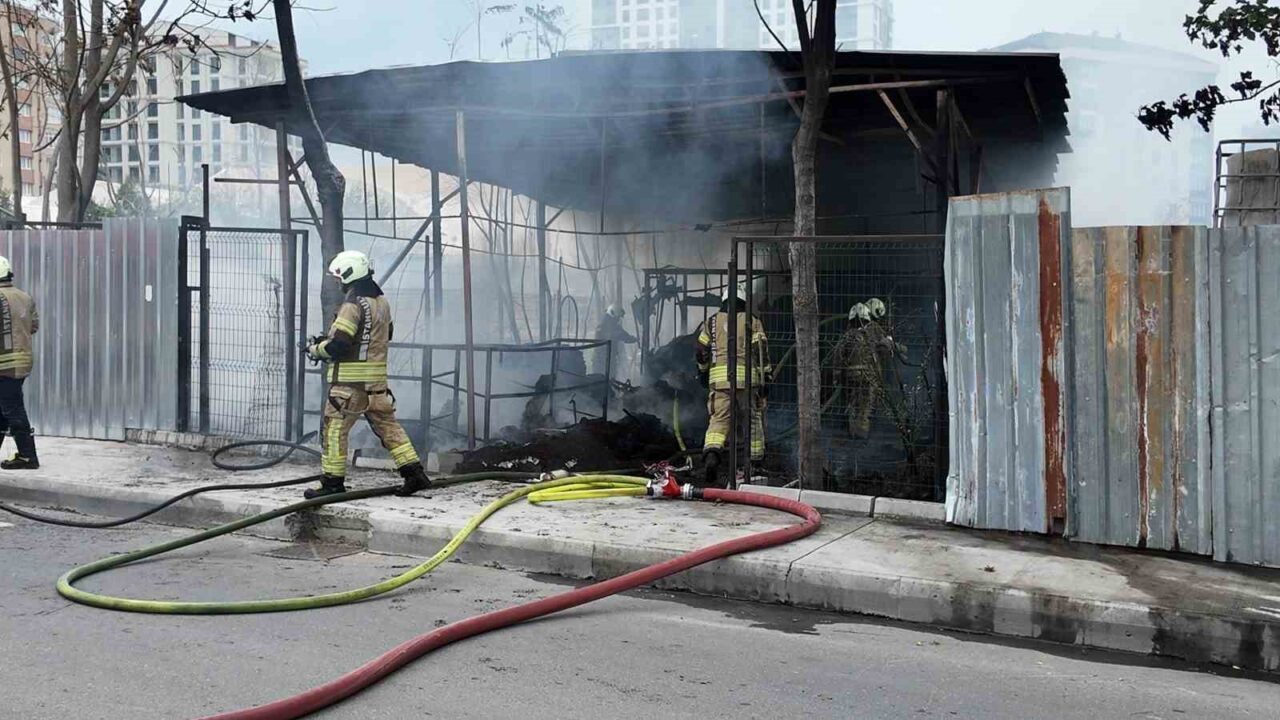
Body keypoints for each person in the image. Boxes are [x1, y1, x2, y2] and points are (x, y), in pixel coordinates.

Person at [305, 250, 430, 499]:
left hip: (349, 387)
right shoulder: (381, 302)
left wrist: (316, 349)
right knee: (389, 428)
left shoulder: (352, 304)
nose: (339, 283)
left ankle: (332, 483)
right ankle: (414, 474)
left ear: (349, 275)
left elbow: (339, 345)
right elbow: (384, 335)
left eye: (340, 278)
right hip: (376, 385)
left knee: (333, 430)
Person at [696, 285, 770, 480]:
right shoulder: (752, 322)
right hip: (747, 383)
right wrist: (765, 381)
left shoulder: (711, 322)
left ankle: (712, 453)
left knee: (719, 419)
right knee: (752, 420)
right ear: (743, 302)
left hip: (720, 383)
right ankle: (754, 463)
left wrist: (703, 373)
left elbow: (701, 351)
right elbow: (761, 353)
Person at [831, 298, 905, 438]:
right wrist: (900, 348)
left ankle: (853, 434)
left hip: (850, 377)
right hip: (869, 377)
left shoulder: (847, 336)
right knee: (866, 408)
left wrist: (837, 378)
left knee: (852, 405)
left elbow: (838, 356)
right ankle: (861, 437)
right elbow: (885, 345)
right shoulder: (873, 330)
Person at [0, 255, 38, 469]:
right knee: (4, 409)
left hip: (3, 364)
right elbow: (34, 326)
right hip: (22, 362)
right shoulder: (25, 297)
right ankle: (26, 455)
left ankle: (27, 456)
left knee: (12, 409)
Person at [592, 304, 638, 379]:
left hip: (603, 360)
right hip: (604, 361)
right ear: (613, 314)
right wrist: (634, 339)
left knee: (602, 381)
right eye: (618, 317)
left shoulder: (606, 323)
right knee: (606, 382)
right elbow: (622, 335)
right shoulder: (609, 326)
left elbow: (621, 333)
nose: (618, 319)